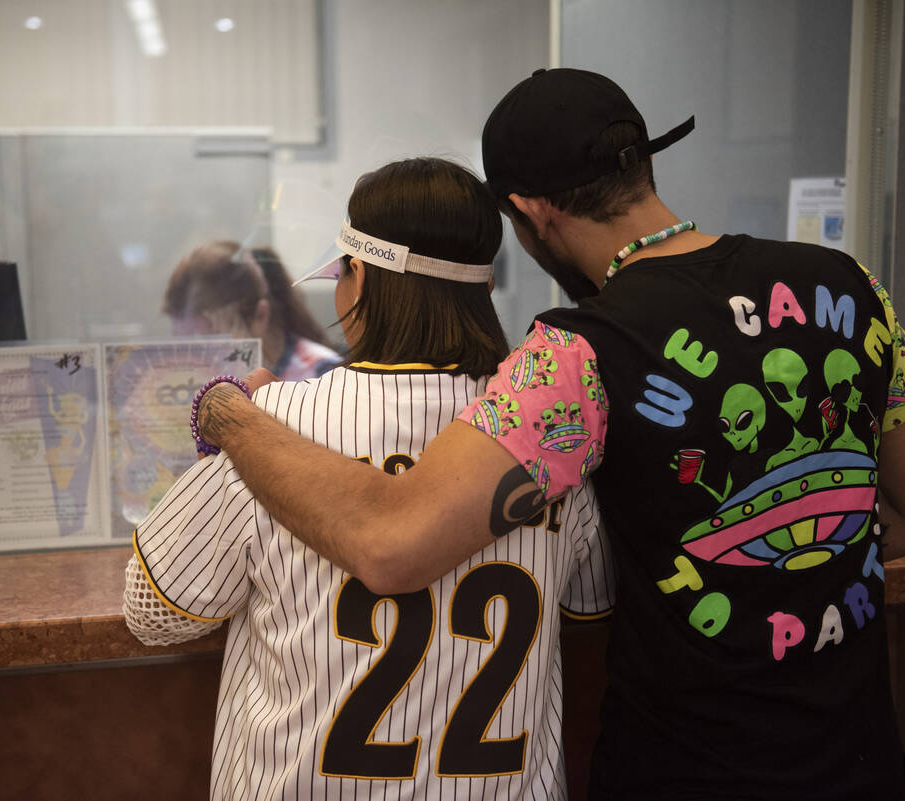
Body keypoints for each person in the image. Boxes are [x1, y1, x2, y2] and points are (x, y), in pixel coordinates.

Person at [189, 69, 905, 800]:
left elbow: (391, 541)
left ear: (533, 213)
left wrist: (231, 415)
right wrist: (802, 553)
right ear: (642, 166)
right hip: (860, 765)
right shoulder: (848, 283)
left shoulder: (578, 352)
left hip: (689, 772)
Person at [125, 157, 614, 800]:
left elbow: (153, 613)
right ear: (484, 288)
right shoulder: (550, 439)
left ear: (359, 281)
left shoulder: (270, 429)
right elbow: (590, 613)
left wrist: (224, 421)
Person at [162, 240, 341, 379]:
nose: (195, 360)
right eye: (185, 347)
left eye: (210, 345)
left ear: (260, 316)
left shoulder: (321, 375)